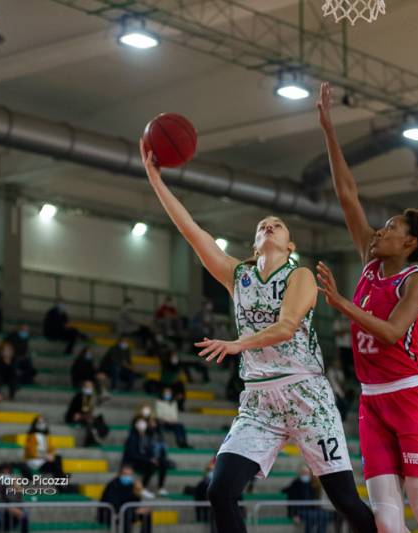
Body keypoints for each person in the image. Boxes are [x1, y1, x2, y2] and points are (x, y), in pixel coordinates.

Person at [142, 139, 376, 533]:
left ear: (290, 245)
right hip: (259, 400)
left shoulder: (299, 276)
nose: (269, 226)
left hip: (307, 395)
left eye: (277, 225)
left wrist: (236, 344)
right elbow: (190, 229)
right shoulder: (239, 276)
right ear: (254, 244)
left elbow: (286, 327)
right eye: (261, 226)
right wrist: (154, 178)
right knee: (220, 490)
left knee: (344, 499)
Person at [316, 81, 418, 533]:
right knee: (386, 521)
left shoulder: (416, 280)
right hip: (372, 401)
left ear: (409, 242)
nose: (379, 231)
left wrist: (339, 303)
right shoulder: (370, 264)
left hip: (411, 397)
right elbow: (347, 196)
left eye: (390, 227)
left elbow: (393, 333)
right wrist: (329, 131)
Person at [122, 416, 169, 498]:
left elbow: (149, 451)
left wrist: (154, 458)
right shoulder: (132, 438)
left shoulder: (146, 437)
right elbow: (133, 455)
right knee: (152, 464)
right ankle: (143, 487)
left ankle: (160, 487)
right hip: (134, 462)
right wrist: (149, 459)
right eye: (140, 423)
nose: (142, 425)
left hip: (144, 459)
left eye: (143, 423)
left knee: (163, 462)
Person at [99, 465, 152, 533]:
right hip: (113, 513)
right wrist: (134, 511)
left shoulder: (131, 485)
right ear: (119, 474)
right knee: (127, 513)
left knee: (146, 513)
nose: (127, 477)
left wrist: (138, 492)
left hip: (128, 511)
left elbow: (134, 502)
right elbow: (114, 503)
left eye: (129, 475)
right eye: (125, 474)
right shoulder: (113, 485)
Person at [283, 465, 331, 533]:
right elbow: (291, 500)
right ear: (300, 474)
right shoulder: (295, 484)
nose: (305, 474)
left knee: (323, 515)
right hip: (300, 511)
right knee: (311, 516)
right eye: (303, 472)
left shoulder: (312, 484)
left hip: (312, 510)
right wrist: (294, 514)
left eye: (307, 473)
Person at [65, 380, 108, 447]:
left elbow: (88, 411)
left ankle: (98, 437)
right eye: (88, 386)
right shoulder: (79, 396)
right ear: (84, 387)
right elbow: (76, 412)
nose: (90, 388)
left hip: (83, 416)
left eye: (91, 386)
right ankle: (89, 441)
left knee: (99, 419)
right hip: (73, 417)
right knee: (89, 422)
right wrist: (85, 416)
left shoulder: (90, 396)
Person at [333, 313, 354, 380]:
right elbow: (336, 333)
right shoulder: (338, 321)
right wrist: (345, 330)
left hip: (350, 346)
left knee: (352, 364)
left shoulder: (350, 321)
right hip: (342, 346)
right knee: (344, 364)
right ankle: (346, 378)